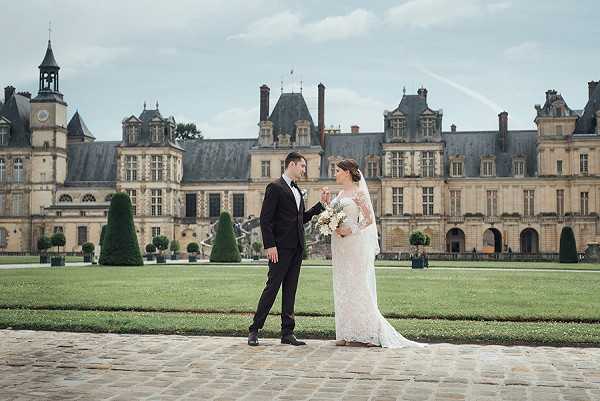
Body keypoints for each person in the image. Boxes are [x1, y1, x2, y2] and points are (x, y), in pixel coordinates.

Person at [330, 159, 424, 348]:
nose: (335, 173)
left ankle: (369, 334)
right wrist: (328, 212)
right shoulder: (340, 193)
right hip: (340, 245)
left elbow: (369, 219)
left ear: (347, 172)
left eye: (338, 170)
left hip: (354, 243)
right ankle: (347, 332)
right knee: (343, 286)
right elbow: (334, 215)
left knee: (358, 285)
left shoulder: (359, 192)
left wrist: (351, 230)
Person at [248, 152, 330, 346]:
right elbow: (265, 219)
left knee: (290, 290)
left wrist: (320, 206)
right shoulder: (274, 187)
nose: (304, 170)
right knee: (272, 288)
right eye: (302, 166)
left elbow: (300, 219)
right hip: (280, 249)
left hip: (296, 249)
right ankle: (254, 330)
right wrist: (270, 245)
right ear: (292, 165)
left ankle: (287, 333)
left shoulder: (298, 190)